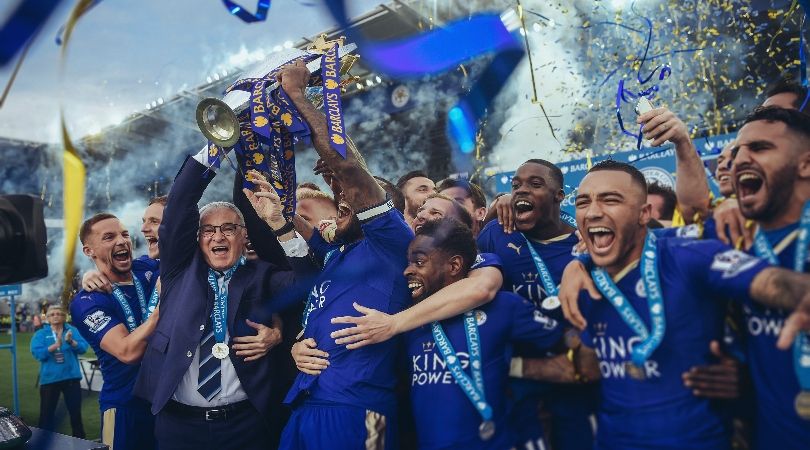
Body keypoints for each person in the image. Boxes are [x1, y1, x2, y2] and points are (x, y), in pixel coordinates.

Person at [561, 159, 810, 449]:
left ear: (644, 214)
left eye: (610, 200)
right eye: (582, 202)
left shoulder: (689, 257)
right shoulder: (582, 282)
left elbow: (770, 282)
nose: (592, 212)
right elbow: (589, 364)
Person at [133, 136, 314, 450]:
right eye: (209, 229)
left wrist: (279, 225)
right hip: (178, 424)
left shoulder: (263, 276)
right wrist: (217, 147)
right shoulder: (178, 270)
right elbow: (179, 204)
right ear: (198, 237)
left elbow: (309, 281)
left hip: (245, 425)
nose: (219, 235)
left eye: (229, 228)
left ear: (244, 237)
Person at [476, 158, 596, 450]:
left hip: (576, 379)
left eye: (535, 184)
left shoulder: (584, 245)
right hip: (516, 382)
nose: (521, 191)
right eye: (515, 185)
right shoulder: (496, 235)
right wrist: (494, 208)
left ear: (559, 196)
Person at [69, 213, 161, 450]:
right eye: (109, 237)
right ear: (89, 251)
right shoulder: (87, 301)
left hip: (167, 403)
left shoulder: (147, 269)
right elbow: (128, 352)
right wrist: (160, 309)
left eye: (124, 234)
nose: (121, 241)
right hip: (124, 408)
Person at [30, 305, 89, 438]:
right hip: (50, 380)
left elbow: (83, 348)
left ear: (64, 317)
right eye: (52, 314)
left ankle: (81, 443)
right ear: (48, 319)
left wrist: (71, 342)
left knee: (75, 414)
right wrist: (54, 346)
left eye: (59, 313)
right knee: (46, 415)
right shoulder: (41, 334)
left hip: (71, 379)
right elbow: (37, 354)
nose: (56, 316)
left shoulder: (72, 330)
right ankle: (43, 444)